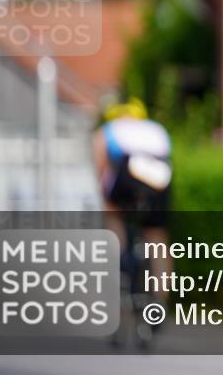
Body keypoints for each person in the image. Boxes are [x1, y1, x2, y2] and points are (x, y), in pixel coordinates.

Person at [93, 97, 173, 303]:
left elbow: (101, 169)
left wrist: (106, 198)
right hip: (160, 172)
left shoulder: (110, 128)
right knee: (156, 235)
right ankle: (161, 298)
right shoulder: (156, 128)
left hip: (128, 168)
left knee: (112, 214)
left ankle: (119, 262)